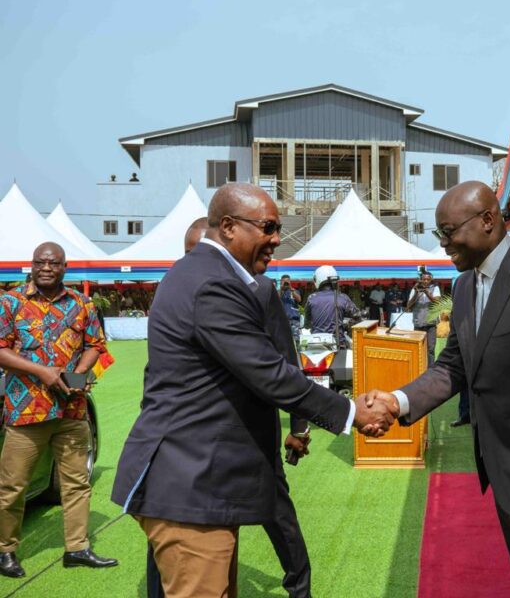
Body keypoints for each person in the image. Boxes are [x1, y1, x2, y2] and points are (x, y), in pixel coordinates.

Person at [111, 183, 397, 597]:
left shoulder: (206, 275)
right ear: (228, 227)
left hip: (205, 483)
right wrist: (352, 412)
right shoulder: (212, 282)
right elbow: (269, 373)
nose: (277, 239)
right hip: (192, 485)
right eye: (268, 227)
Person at [363, 181, 510, 598]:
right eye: (439, 233)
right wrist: (397, 401)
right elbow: (454, 367)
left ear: (487, 220)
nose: (444, 243)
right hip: (501, 473)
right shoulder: (464, 287)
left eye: (449, 232)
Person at [0, 242, 118, 578]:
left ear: (65, 267)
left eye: (54, 263)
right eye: (40, 262)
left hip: (71, 410)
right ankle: (5, 551)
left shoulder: (81, 304)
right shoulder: (10, 302)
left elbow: (95, 345)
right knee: (12, 486)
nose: (47, 268)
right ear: (31, 265)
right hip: (26, 410)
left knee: (77, 483)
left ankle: (77, 548)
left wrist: (78, 374)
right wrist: (42, 372)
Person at [304, 266, 362, 350]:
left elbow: (307, 324)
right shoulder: (342, 297)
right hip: (338, 344)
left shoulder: (311, 298)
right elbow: (357, 316)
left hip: (316, 344)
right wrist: (347, 325)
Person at [406, 270, 441, 367]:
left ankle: (431, 369)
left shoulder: (435, 288)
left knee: (430, 349)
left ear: (431, 280)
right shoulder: (415, 289)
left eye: (428, 279)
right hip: (418, 322)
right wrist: (416, 293)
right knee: (418, 347)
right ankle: (418, 368)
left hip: (431, 323)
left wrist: (426, 292)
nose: (425, 281)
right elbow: (408, 306)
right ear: (421, 280)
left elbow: (437, 302)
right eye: (424, 279)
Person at [279, 274, 302, 344]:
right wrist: (281, 288)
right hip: (282, 320)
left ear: (290, 282)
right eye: (284, 281)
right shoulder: (279, 292)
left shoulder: (294, 291)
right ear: (281, 282)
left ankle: (297, 351)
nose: (286, 283)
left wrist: (291, 289)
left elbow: (299, 299)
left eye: (287, 281)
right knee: (283, 341)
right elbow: (276, 298)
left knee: (296, 341)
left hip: (294, 320)